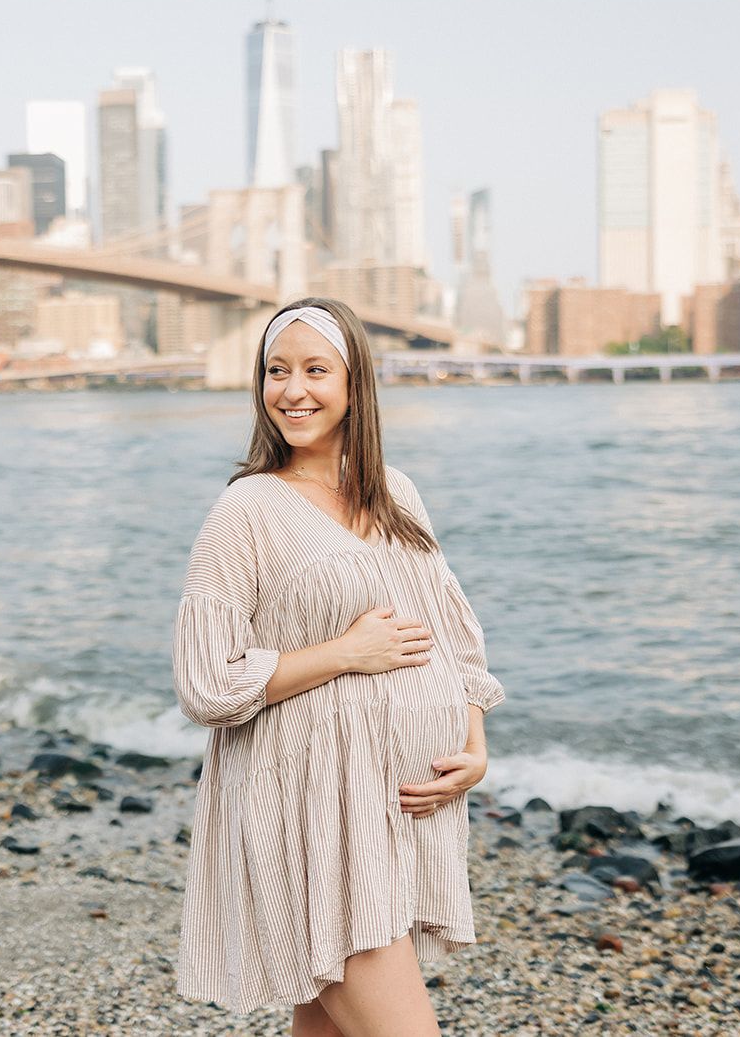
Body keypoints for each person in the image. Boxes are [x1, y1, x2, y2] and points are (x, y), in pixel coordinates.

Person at [172, 296, 506, 1036]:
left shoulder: (395, 493)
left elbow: (455, 633)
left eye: (316, 369)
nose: (293, 389)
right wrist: (344, 654)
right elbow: (205, 681)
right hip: (308, 812)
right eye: (275, 370)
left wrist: (474, 744)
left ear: (356, 383)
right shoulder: (247, 508)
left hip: (389, 809)